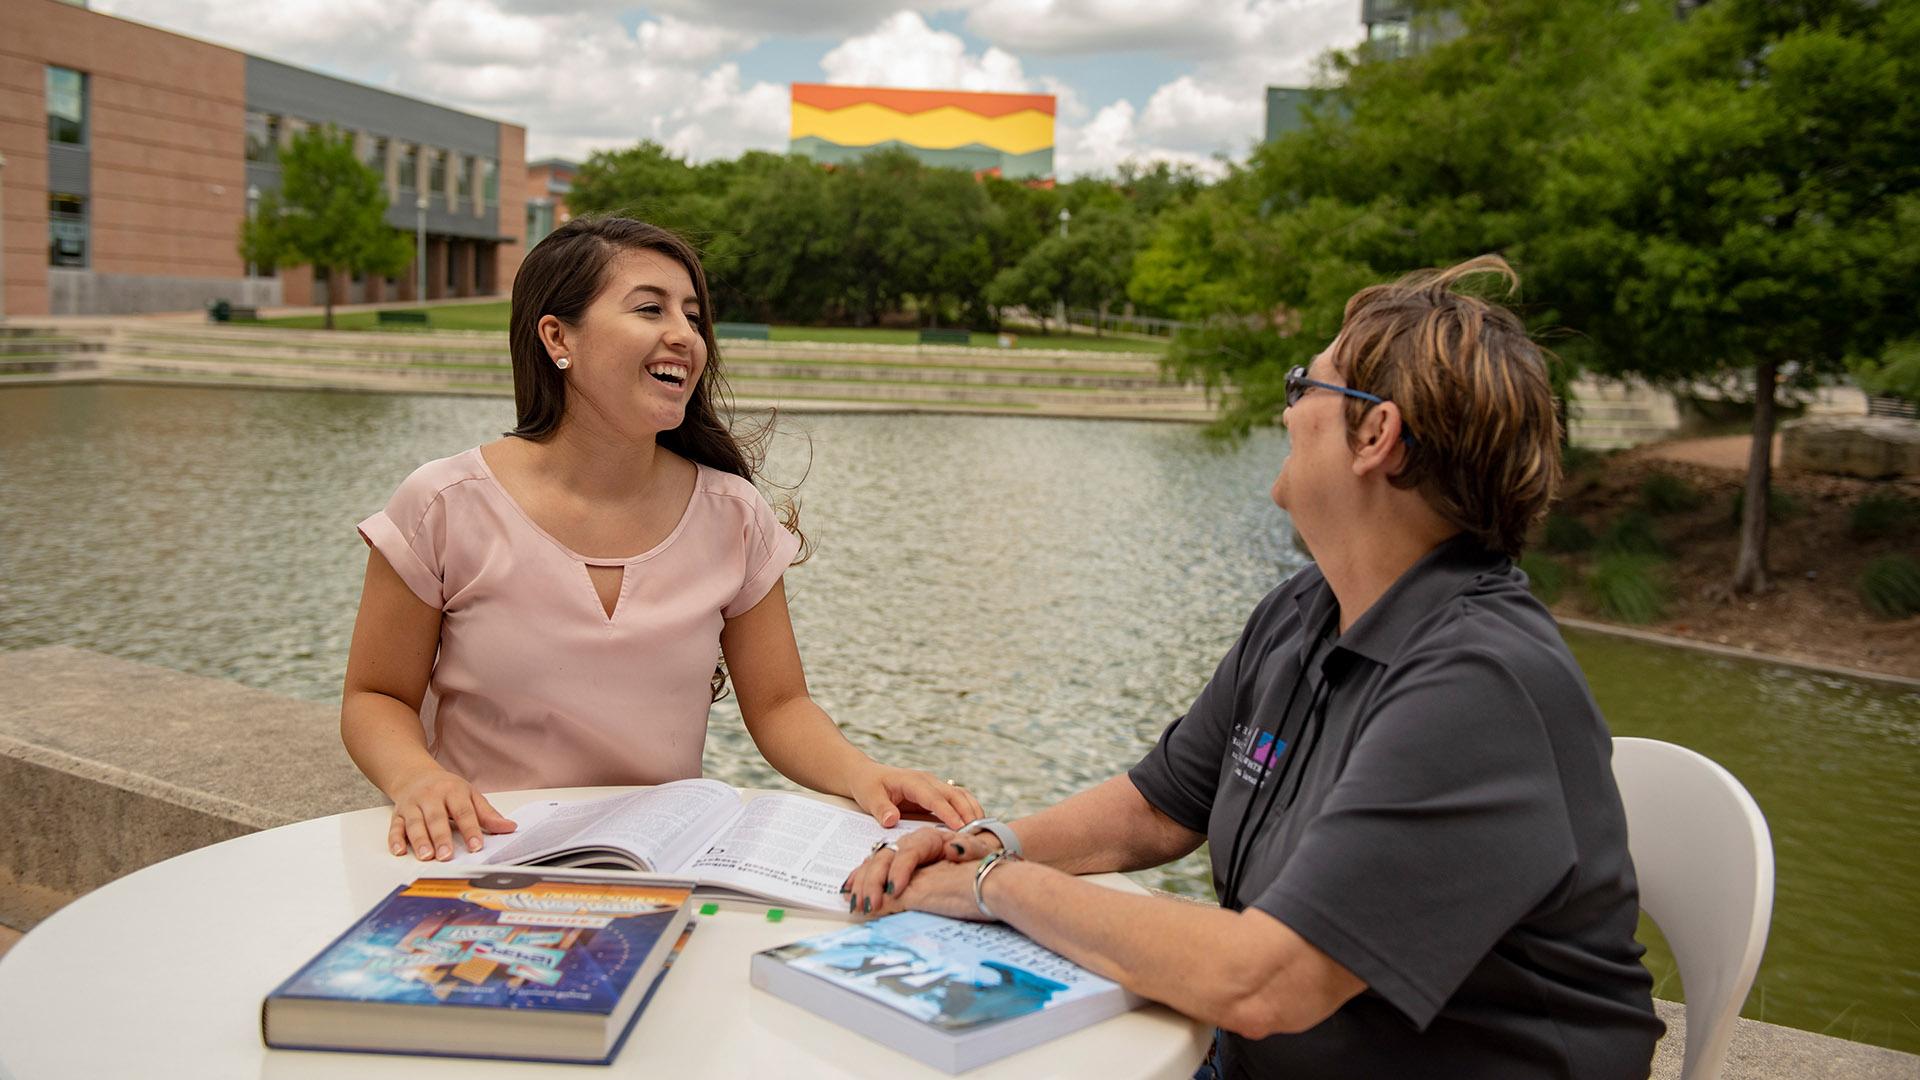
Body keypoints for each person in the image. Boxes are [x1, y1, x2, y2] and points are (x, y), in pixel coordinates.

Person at [847, 256, 1664, 1079]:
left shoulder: (1480, 685)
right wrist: (983, 842)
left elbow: (1263, 981)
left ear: (1376, 436)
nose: (1286, 413)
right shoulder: (1308, 608)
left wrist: (998, 887)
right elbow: (1159, 808)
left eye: (1302, 387)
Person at [342, 216, 982, 863]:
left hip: (653, 863)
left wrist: (863, 775)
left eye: (694, 316)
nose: (685, 335)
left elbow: (782, 705)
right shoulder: (441, 504)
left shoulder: (734, 514)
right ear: (557, 336)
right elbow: (376, 696)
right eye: (650, 308)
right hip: (479, 856)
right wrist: (416, 777)